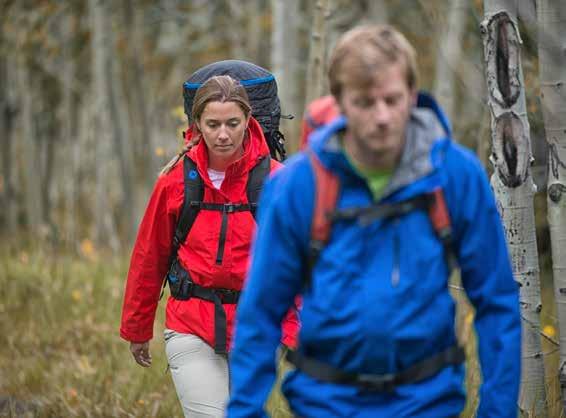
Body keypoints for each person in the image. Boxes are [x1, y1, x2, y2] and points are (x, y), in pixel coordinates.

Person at [227, 25, 521, 418]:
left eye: (392, 99)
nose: (382, 116)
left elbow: (497, 302)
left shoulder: (454, 175)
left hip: (428, 403)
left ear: (412, 95)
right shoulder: (299, 186)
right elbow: (260, 311)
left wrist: (499, 410)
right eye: (365, 102)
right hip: (325, 404)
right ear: (340, 102)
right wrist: (246, 411)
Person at [120, 75, 298, 418]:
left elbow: (295, 264)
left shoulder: (278, 182)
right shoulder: (175, 181)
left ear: (248, 121)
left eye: (233, 123)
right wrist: (137, 328)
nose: (223, 134)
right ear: (197, 124)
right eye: (213, 124)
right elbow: (149, 257)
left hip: (256, 328)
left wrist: (296, 330)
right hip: (192, 322)